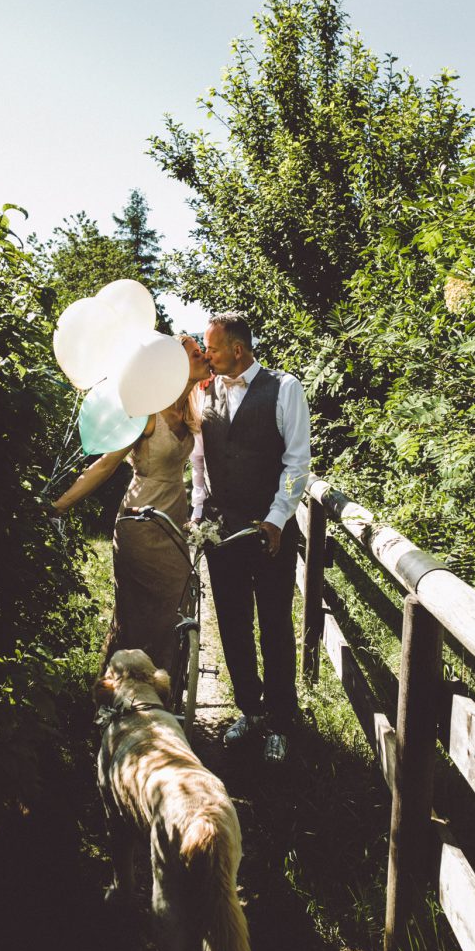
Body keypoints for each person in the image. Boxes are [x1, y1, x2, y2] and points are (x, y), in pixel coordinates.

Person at [191, 312, 310, 764]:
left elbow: (297, 463)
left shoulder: (285, 388)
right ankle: (250, 711)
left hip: (269, 530)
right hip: (221, 533)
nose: (207, 355)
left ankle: (281, 721)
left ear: (237, 349)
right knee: (233, 625)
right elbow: (199, 465)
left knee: (275, 626)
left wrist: (278, 519)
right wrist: (199, 513)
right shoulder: (205, 393)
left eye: (213, 348)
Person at [52, 336, 211, 673]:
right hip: (140, 522)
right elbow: (104, 466)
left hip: (174, 525)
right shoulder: (147, 413)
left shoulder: (190, 412)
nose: (203, 355)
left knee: (174, 613)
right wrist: (59, 506)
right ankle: (116, 694)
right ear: (173, 365)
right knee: (136, 615)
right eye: (195, 353)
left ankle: (160, 696)